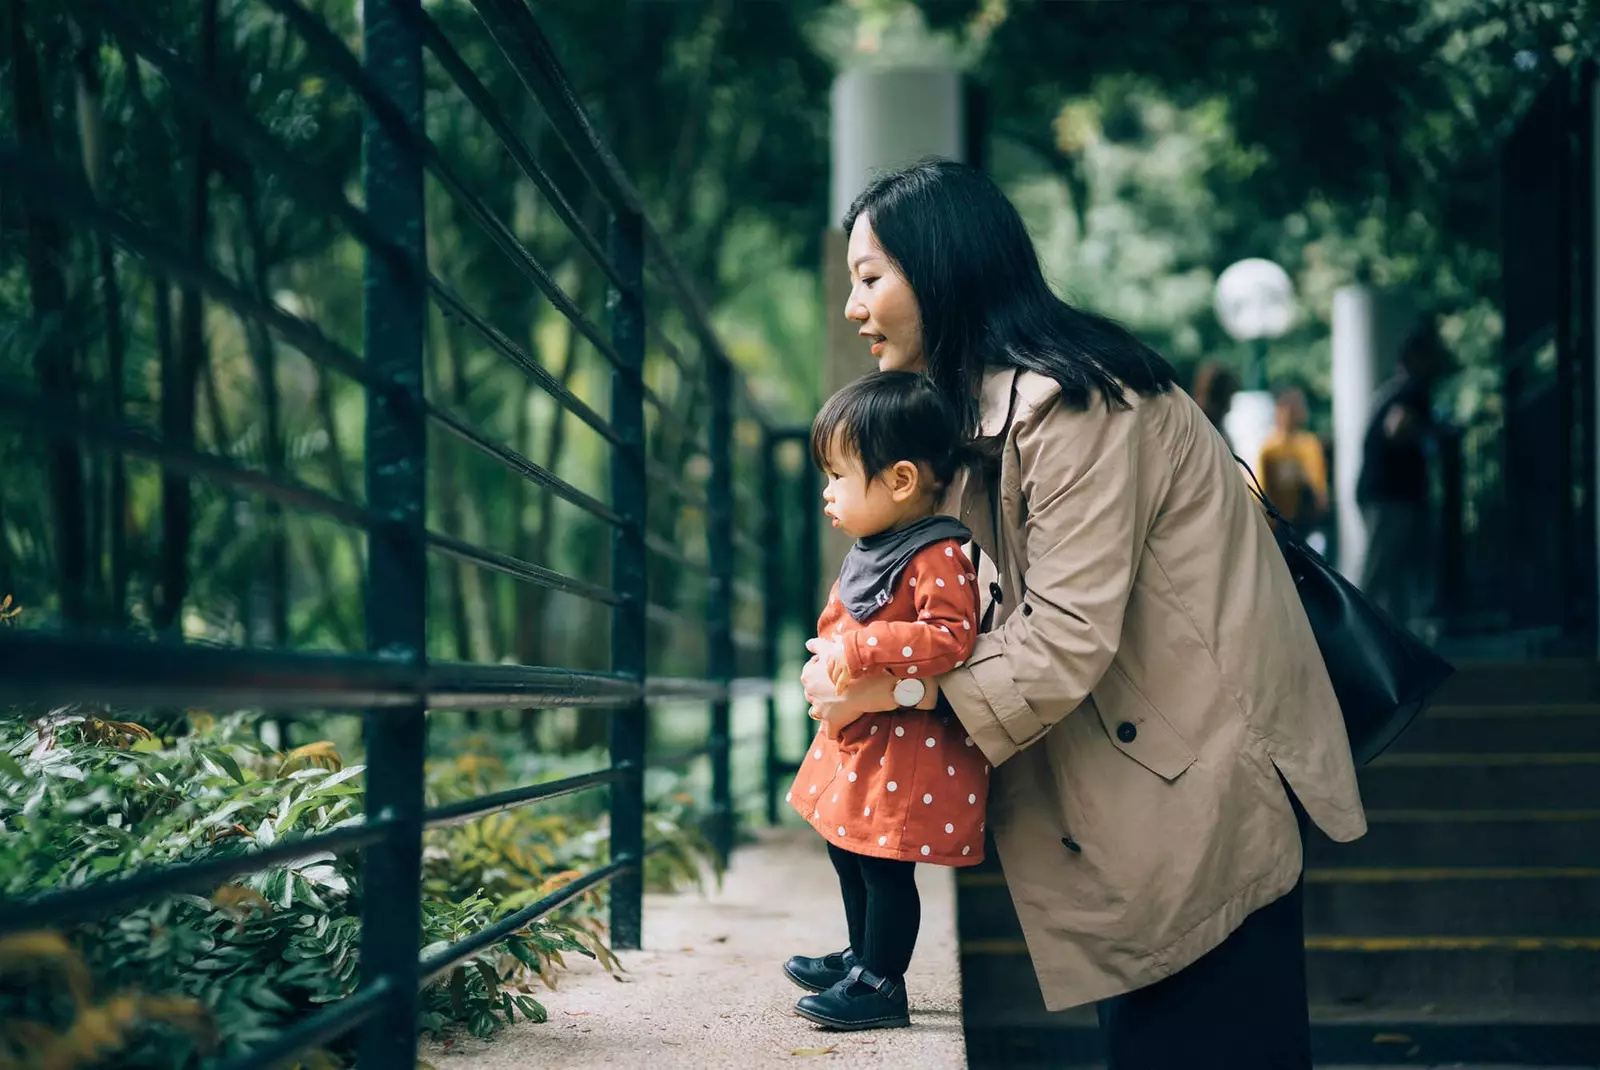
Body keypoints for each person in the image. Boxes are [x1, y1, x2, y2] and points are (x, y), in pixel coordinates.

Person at [794, 159, 1366, 1069]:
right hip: (1141, 793)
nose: (855, 308)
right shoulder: (986, 415)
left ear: (942, 271)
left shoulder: (1080, 405)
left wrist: (895, 691)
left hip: (1201, 795)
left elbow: (1062, 639)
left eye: (872, 279)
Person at [782, 371, 987, 1031]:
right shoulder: (879, 548)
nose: (826, 492)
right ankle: (859, 954)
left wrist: (862, 650)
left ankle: (881, 982)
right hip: (865, 740)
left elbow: (950, 638)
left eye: (838, 476)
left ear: (899, 481)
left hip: (905, 748)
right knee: (847, 847)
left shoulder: (937, 553)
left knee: (884, 862)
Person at [1357, 320, 1451, 625]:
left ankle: (1392, 642)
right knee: (1382, 572)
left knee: (1390, 574)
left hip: (1384, 492)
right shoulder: (1411, 391)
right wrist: (1431, 434)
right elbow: (1397, 429)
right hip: (1392, 495)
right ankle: (1357, 636)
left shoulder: (1393, 388)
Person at [1257, 386, 1330, 527]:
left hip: (1303, 521)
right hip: (1278, 523)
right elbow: (1262, 490)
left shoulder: (1309, 444)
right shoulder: (1269, 449)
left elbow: (1319, 489)